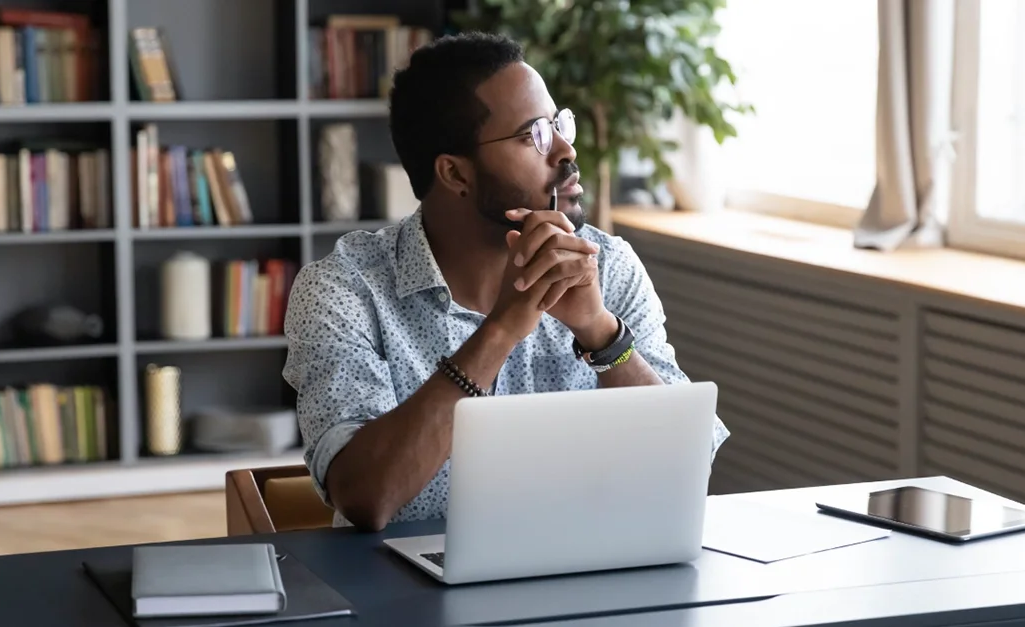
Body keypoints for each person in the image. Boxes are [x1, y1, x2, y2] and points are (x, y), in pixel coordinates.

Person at [282, 32, 729, 531]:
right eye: (532, 135)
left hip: (592, 578)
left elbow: (692, 466)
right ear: (455, 174)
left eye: (560, 125)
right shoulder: (344, 290)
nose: (564, 149)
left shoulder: (610, 266)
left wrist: (601, 333)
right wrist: (500, 330)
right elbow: (366, 497)